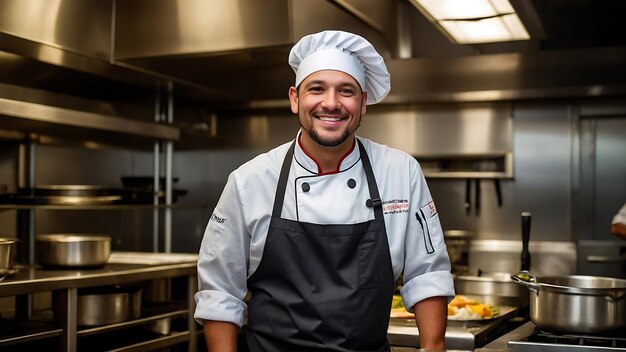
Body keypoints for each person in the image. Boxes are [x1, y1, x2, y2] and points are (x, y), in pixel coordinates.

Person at [194, 30, 455, 351]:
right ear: (295, 99)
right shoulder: (250, 180)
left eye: (346, 91)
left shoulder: (400, 172)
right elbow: (220, 292)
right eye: (316, 89)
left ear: (363, 103)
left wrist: (433, 347)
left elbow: (426, 274)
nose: (331, 103)